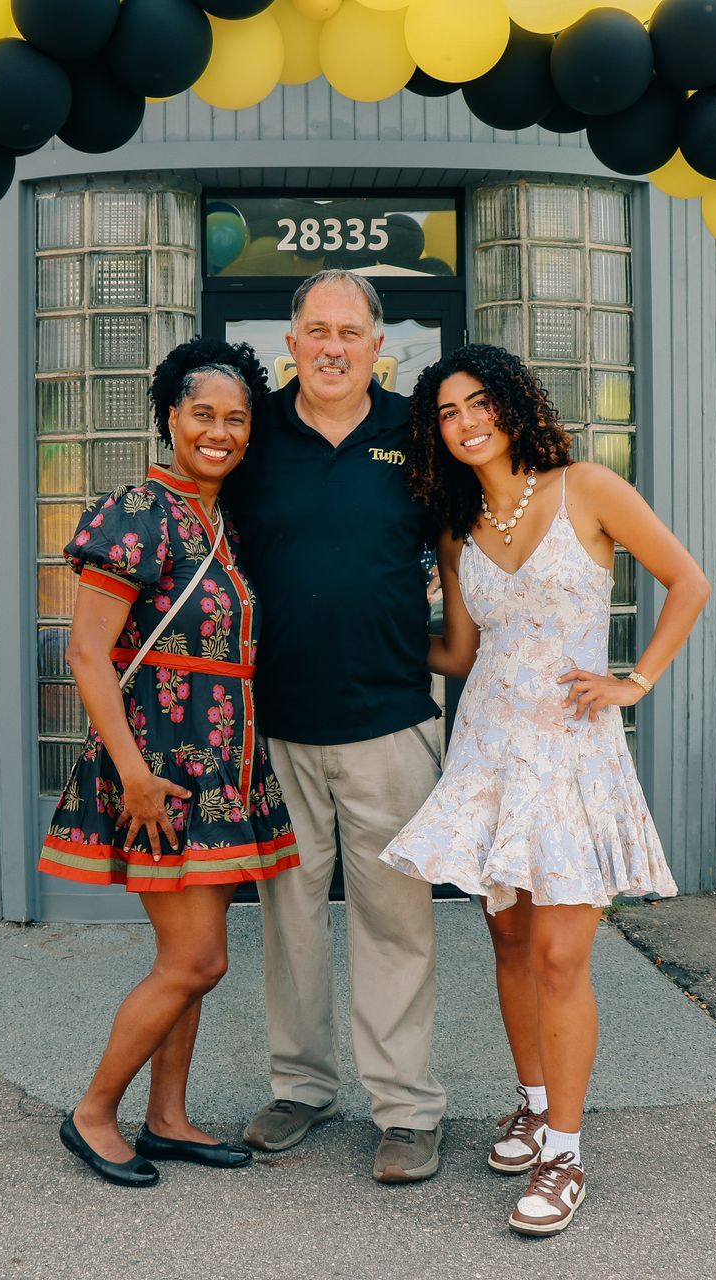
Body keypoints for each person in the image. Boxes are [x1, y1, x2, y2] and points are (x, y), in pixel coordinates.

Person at [381, 344, 710, 1237]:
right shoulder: (454, 531)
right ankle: (532, 1105)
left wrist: (635, 680)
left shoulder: (588, 488)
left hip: (571, 756)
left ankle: (564, 1155)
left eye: (478, 402)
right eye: (447, 413)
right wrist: (360, 629)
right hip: (488, 752)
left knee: (563, 955)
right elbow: (457, 653)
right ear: (435, 432)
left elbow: (690, 582)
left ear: (514, 404)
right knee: (511, 943)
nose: (466, 422)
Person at [38, 337, 298, 1188]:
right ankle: (93, 1112)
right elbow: (85, 654)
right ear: (170, 419)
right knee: (196, 961)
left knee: (196, 956)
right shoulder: (137, 510)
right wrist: (136, 775)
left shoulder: (215, 520)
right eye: (202, 414)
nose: (219, 431)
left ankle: (168, 1117)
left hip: (216, 772)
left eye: (235, 418)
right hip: (158, 772)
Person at [222, 270, 449, 1183]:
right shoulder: (251, 435)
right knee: (290, 920)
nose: (331, 346)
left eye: (349, 332)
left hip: (389, 719)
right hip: (274, 726)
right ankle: (301, 1087)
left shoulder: (418, 434)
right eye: (315, 329)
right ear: (290, 342)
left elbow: (468, 553)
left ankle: (404, 1108)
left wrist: (456, 652)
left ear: (376, 346)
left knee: (396, 922)